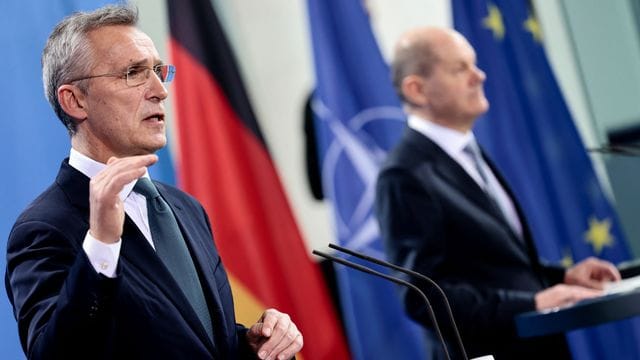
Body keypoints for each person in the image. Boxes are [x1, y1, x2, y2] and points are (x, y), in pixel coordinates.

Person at [5, 5, 302, 360]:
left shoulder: (186, 208)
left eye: (158, 71)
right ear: (75, 100)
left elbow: (193, 340)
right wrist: (101, 242)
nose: (160, 90)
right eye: (133, 73)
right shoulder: (44, 227)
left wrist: (251, 345)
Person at [375, 26, 621, 359]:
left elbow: (493, 265)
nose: (479, 76)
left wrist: (561, 277)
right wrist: (532, 303)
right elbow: (423, 297)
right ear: (417, 90)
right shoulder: (404, 175)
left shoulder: (467, 151)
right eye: (460, 68)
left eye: (474, 64)